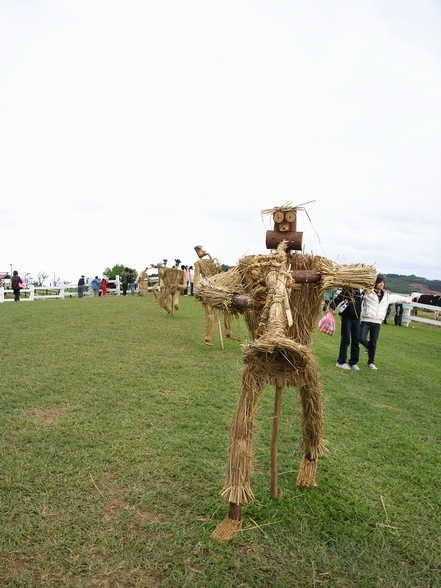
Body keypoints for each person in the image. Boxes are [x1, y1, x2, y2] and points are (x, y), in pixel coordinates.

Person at [360, 275, 410, 370]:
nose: (382, 284)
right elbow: (359, 295)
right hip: (366, 320)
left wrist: (409, 300)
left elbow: (398, 298)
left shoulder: (387, 296)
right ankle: (368, 346)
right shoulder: (368, 293)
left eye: (383, 283)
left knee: (374, 342)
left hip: (377, 322)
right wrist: (366, 291)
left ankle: (371, 362)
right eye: (380, 282)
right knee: (361, 338)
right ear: (375, 283)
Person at [330, 287, 364, 371]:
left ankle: (353, 362)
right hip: (347, 318)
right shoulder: (345, 291)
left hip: (356, 319)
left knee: (356, 340)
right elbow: (336, 301)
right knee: (346, 340)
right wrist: (330, 311)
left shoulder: (359, 292)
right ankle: (341, 362)